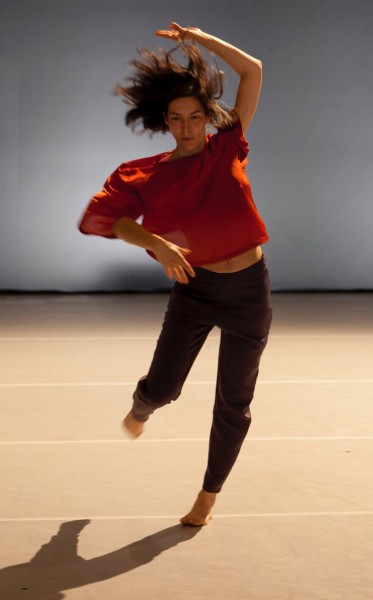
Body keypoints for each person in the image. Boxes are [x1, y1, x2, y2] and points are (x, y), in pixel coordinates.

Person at [78, 22, 272, 526]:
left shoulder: (228, 146)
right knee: (163, 389)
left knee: (235, 400)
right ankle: (143, 406)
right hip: (194, 287)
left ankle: (208, 495)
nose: (187, 127)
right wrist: (157, 243)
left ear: (208, 117)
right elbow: (109, 219)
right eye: (177, 118)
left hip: (249, 289)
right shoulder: (143, 173)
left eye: (195, 117)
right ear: (165, 121)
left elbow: (252, 71)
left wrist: (200, 38)